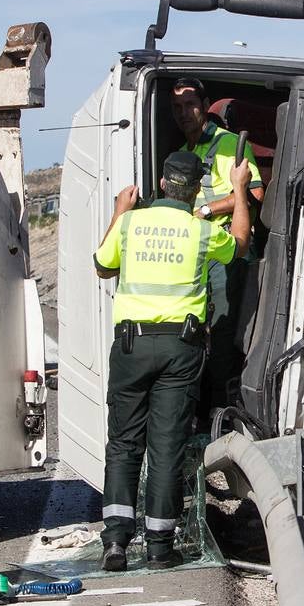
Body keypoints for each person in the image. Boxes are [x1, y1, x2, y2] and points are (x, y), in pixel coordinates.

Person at [94, 150, 251, 571]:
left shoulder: (129, 224)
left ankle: (115, 543)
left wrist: (118, 211)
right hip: (181, 349)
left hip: (131, 345)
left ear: (163, 184)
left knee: (124, 443)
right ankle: (160, 546)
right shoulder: (201, 232)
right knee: (166, 447)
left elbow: (102, 266)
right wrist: (238, 189)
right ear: (196, 189)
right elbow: (239, 244)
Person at [170, 77, 264, 409]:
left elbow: (253, 193)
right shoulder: (181, 155)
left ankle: (224, 411)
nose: (184, 113)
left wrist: (206, 209)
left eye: (191, 105)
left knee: (224, 335)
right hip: (195, 255)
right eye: (178, 107)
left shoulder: (229, 145)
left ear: (205, 105)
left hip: (228, 254)